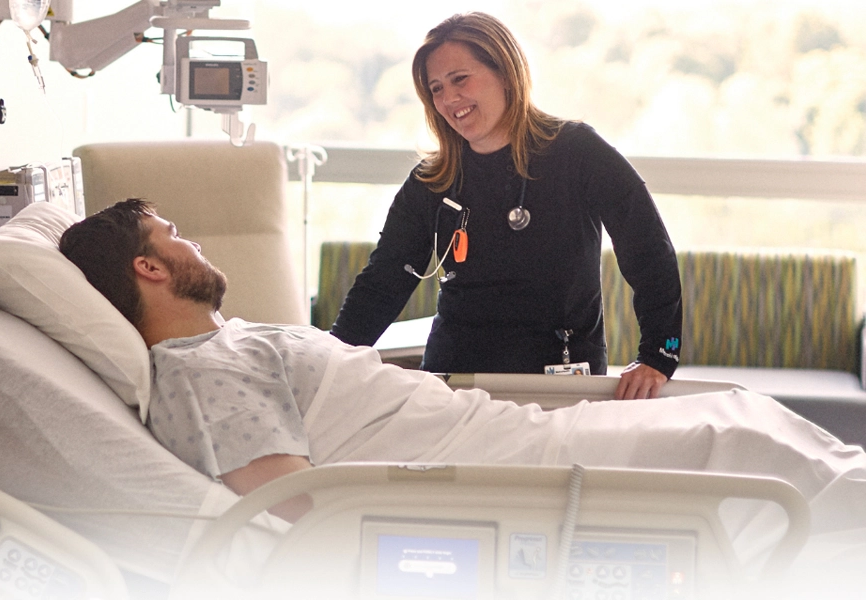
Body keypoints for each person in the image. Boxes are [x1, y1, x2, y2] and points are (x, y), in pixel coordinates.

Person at [59, 199, 866, 582]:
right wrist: (440, 505)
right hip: (494, 465)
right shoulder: (201, 372)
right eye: (177, 234)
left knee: (743, 419)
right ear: (150, 270)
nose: (193, 239)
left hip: (495, 436)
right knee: (739, 440)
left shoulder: (226, 343)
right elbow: (299, 502)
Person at [330, 13, 682, 401]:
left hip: (560, 382)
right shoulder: (433, 180)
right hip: (456, 382)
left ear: (505, 71)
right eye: (436, 88)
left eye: (460, 79)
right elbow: (382, 283)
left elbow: (648, 250)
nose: (449, 99)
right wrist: (330, 359)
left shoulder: (576, 152)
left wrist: (658, 355)